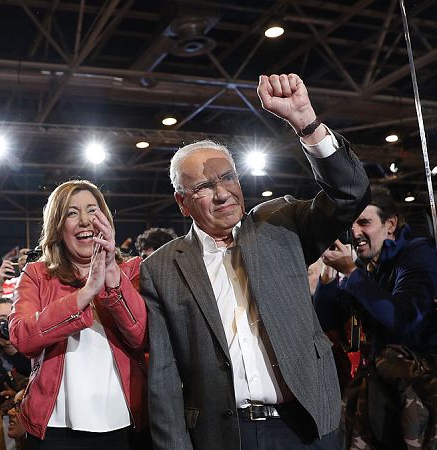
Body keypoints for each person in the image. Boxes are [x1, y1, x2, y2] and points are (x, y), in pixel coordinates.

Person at [140, 73, 371, 450]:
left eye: (227, 177)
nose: (221, 194)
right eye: (202, 187)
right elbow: (163, 376)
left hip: (307, 426)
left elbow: (350, 194)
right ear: (182, 203)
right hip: (223, 436)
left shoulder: (280, 221)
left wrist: (306, 124)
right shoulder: (161, 268)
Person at [9, 180, 147, 449]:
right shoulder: (37, 275)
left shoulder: (131, 271)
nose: (85, 221)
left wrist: (110, 275)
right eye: (72, 213)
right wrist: (85, 294)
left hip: (125, 424)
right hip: (54, 429)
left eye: (92, 210)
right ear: (58, 227)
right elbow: (22, 338)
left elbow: (140, 336)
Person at [318, 191, 437, 449]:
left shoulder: (418, 253)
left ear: (390, 224)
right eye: (351, 224)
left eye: (364, 222)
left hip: (424, 394)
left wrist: (351, 272)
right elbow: (328, 324)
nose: (356, 232)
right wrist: (328, 278)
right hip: (383, 390)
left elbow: (403, 318)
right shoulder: (369, 265)